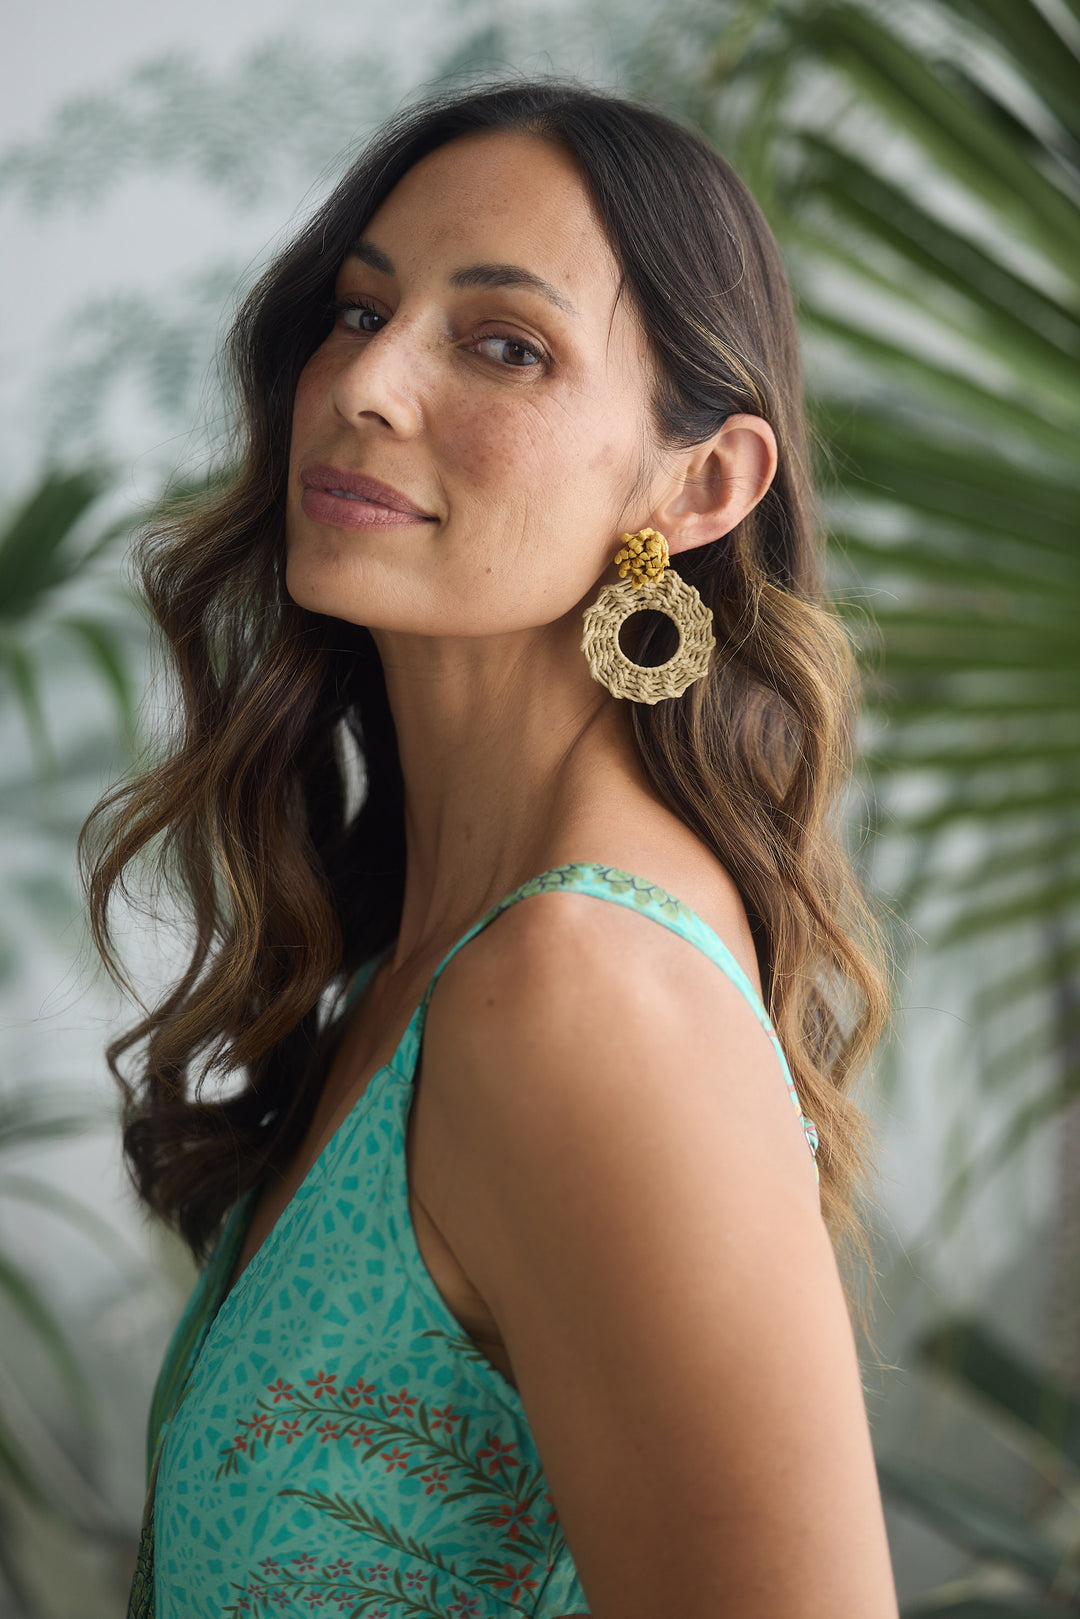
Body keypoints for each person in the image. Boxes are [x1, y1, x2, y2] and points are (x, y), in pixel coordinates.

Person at [83, 79, 899, 1619]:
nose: (367, 383)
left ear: (699, 484)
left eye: (504, 344)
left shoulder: (583, 990)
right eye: (354, 310)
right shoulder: (423, 964)